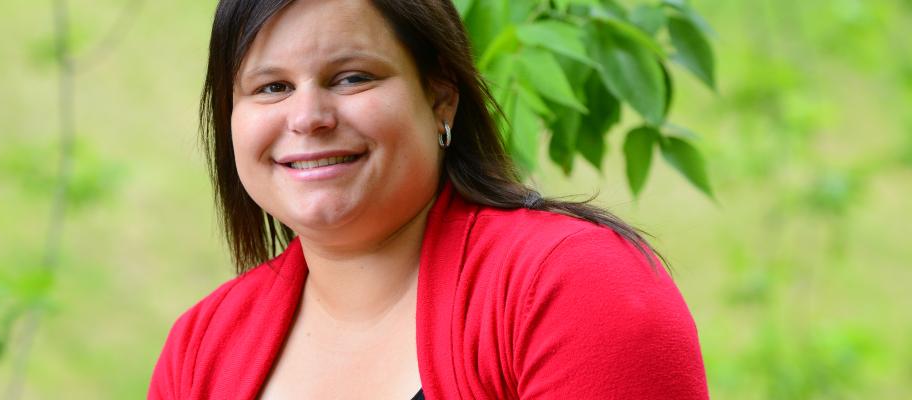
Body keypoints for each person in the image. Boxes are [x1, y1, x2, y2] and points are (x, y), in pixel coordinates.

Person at [149, 0, 709, 398]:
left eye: (351, 78)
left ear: (440, 97)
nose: (308, 118)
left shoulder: (569, 283)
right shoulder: (202, 347)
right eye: (271, 87)